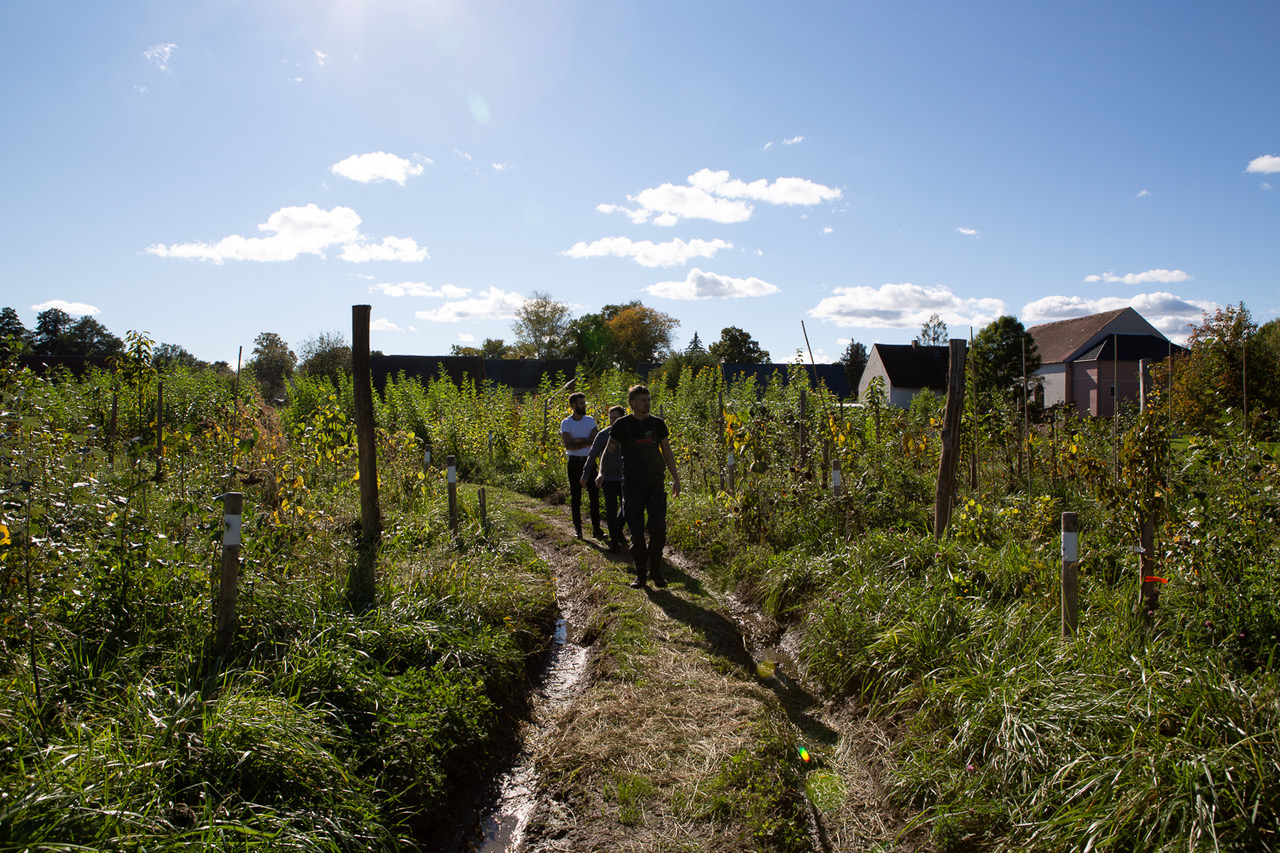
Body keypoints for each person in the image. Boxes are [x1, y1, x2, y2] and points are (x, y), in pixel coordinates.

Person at [598, 384, 680, 588]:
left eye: (649, 400)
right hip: (632, 485)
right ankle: (641, 575)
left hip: (655, 485)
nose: (647, 403)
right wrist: (601, 472)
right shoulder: (621, 425)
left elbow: (667, 452)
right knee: (636, 533)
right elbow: (608, 451)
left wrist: (676, 478)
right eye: (643, 400)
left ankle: (657, 572)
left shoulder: (658, 424)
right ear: (632, 403)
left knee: (658, 529)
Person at [582, 405, 627, 553]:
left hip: (626, 477)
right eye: (611, 418)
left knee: (627, 507)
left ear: (623, 418)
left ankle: (618, 530)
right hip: (608, 477)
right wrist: (586, 474)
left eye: (616, 418)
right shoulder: (603, 435)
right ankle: (614, 541)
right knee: (611, 509)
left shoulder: (629, 433)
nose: (613, 421)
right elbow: (593, 454)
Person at [560, 392, 603, 540]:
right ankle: (578, 529)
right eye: (580, 403)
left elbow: (595, 441)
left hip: (589, 461)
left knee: (594, 496)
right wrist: (586, 441)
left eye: (584, 403)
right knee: (576, 497)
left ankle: (597, 529)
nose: (584, 405)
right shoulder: (566, 423)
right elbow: (568, 444)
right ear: (573, 405)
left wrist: (577, 441)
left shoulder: (590, 420)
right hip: (574, 463)